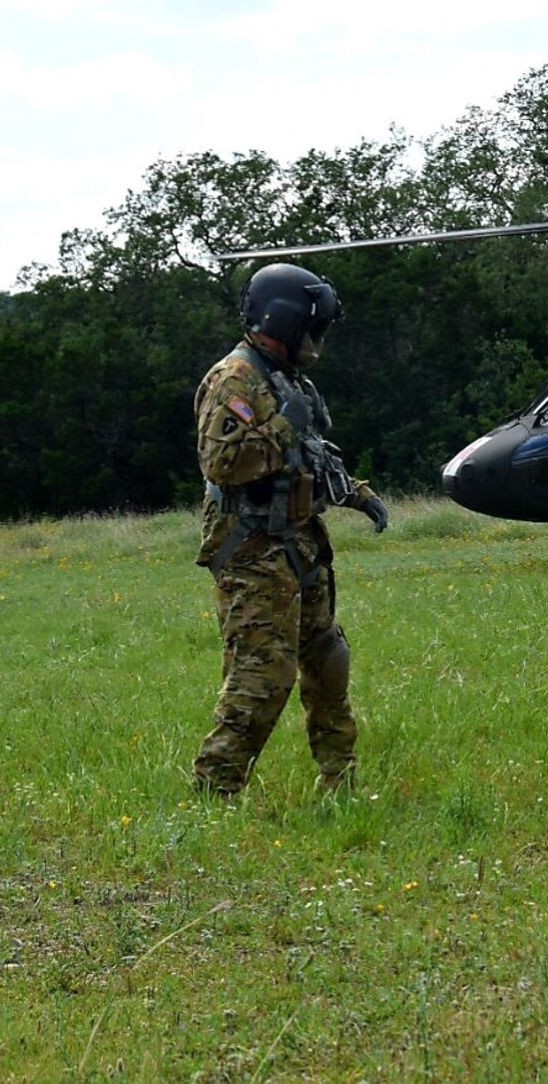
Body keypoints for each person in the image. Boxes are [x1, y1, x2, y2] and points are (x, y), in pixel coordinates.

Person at [191, 263, 390, 798]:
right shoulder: (234, 380)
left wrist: (356, 493)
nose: (318, 338)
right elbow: (222, 464)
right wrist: (284, 425)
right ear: (285, 321)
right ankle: (217, 788)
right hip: (252, 547)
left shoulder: (288, 379)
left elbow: (310, 457)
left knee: (328, 664)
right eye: (313, 325)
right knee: (262, 677)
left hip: (300, 543)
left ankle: (339, 780)